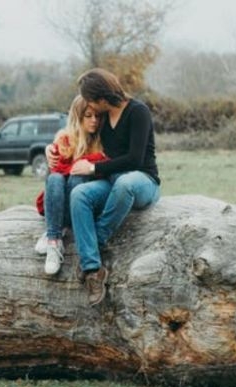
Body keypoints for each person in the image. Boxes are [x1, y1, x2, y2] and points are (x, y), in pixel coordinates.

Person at [67, 68, 161, 306]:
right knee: (79, 194)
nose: (89, 105)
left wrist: (94, 170)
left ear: (101, 97)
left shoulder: (138, 112)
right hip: (112, 181)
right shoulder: (103, 118)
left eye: (90, 99)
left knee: (125, 182)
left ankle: (94, 243)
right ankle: (93, 269)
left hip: (142, 181)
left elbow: (135, 159)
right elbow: (77, 134)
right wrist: (53, 148)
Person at [35, 94, 107, 276]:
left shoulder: (103, 140)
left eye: (97, 116)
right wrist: (50, 151)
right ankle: (54, 240)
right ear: (77, 116)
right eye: (88, 116)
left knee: (77, 177)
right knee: (55, 178)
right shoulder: (65, 140)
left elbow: (104, 163)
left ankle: (55, 230)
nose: (94, 121)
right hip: (58, 201)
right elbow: (57, 168)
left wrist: (83, 165)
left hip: (81, 207)